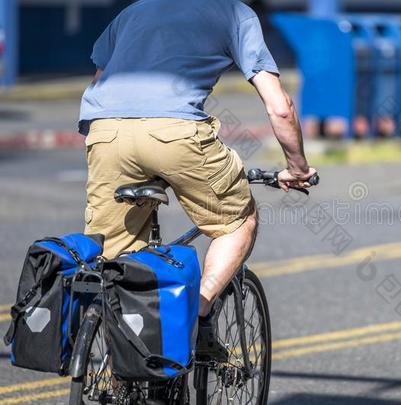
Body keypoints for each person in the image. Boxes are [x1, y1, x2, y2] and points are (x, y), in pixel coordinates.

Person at [79, 0, 316, 357]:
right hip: (176, 133)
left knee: (111, 261)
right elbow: (280, 106)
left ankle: (118, 372)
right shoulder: (234, 13)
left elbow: (99, 85)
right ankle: (198, 311)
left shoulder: (133, 11)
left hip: (105, 133)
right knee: (238, 221)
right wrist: (297, 167)